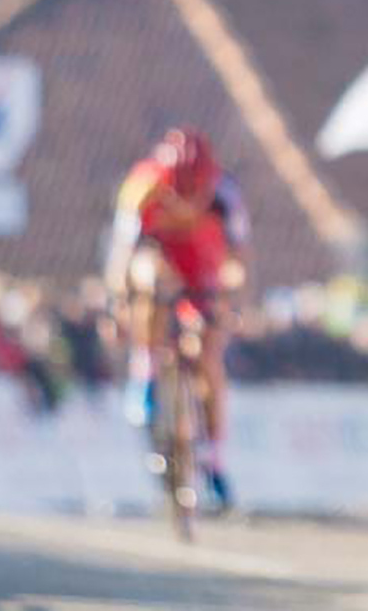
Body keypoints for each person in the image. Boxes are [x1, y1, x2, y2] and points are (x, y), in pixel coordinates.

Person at [106, 126, 249, 510]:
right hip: (161, 260)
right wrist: (119, 303)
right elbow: (121, 255)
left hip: (204, 268)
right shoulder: (143, 185)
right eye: (176, 192)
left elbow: (238, 263)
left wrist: (229, 303)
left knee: (208, 355)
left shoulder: (225, 194)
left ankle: (213, 459)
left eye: (193, 194)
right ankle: (146, 369)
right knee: (148, 279)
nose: (184, 202)